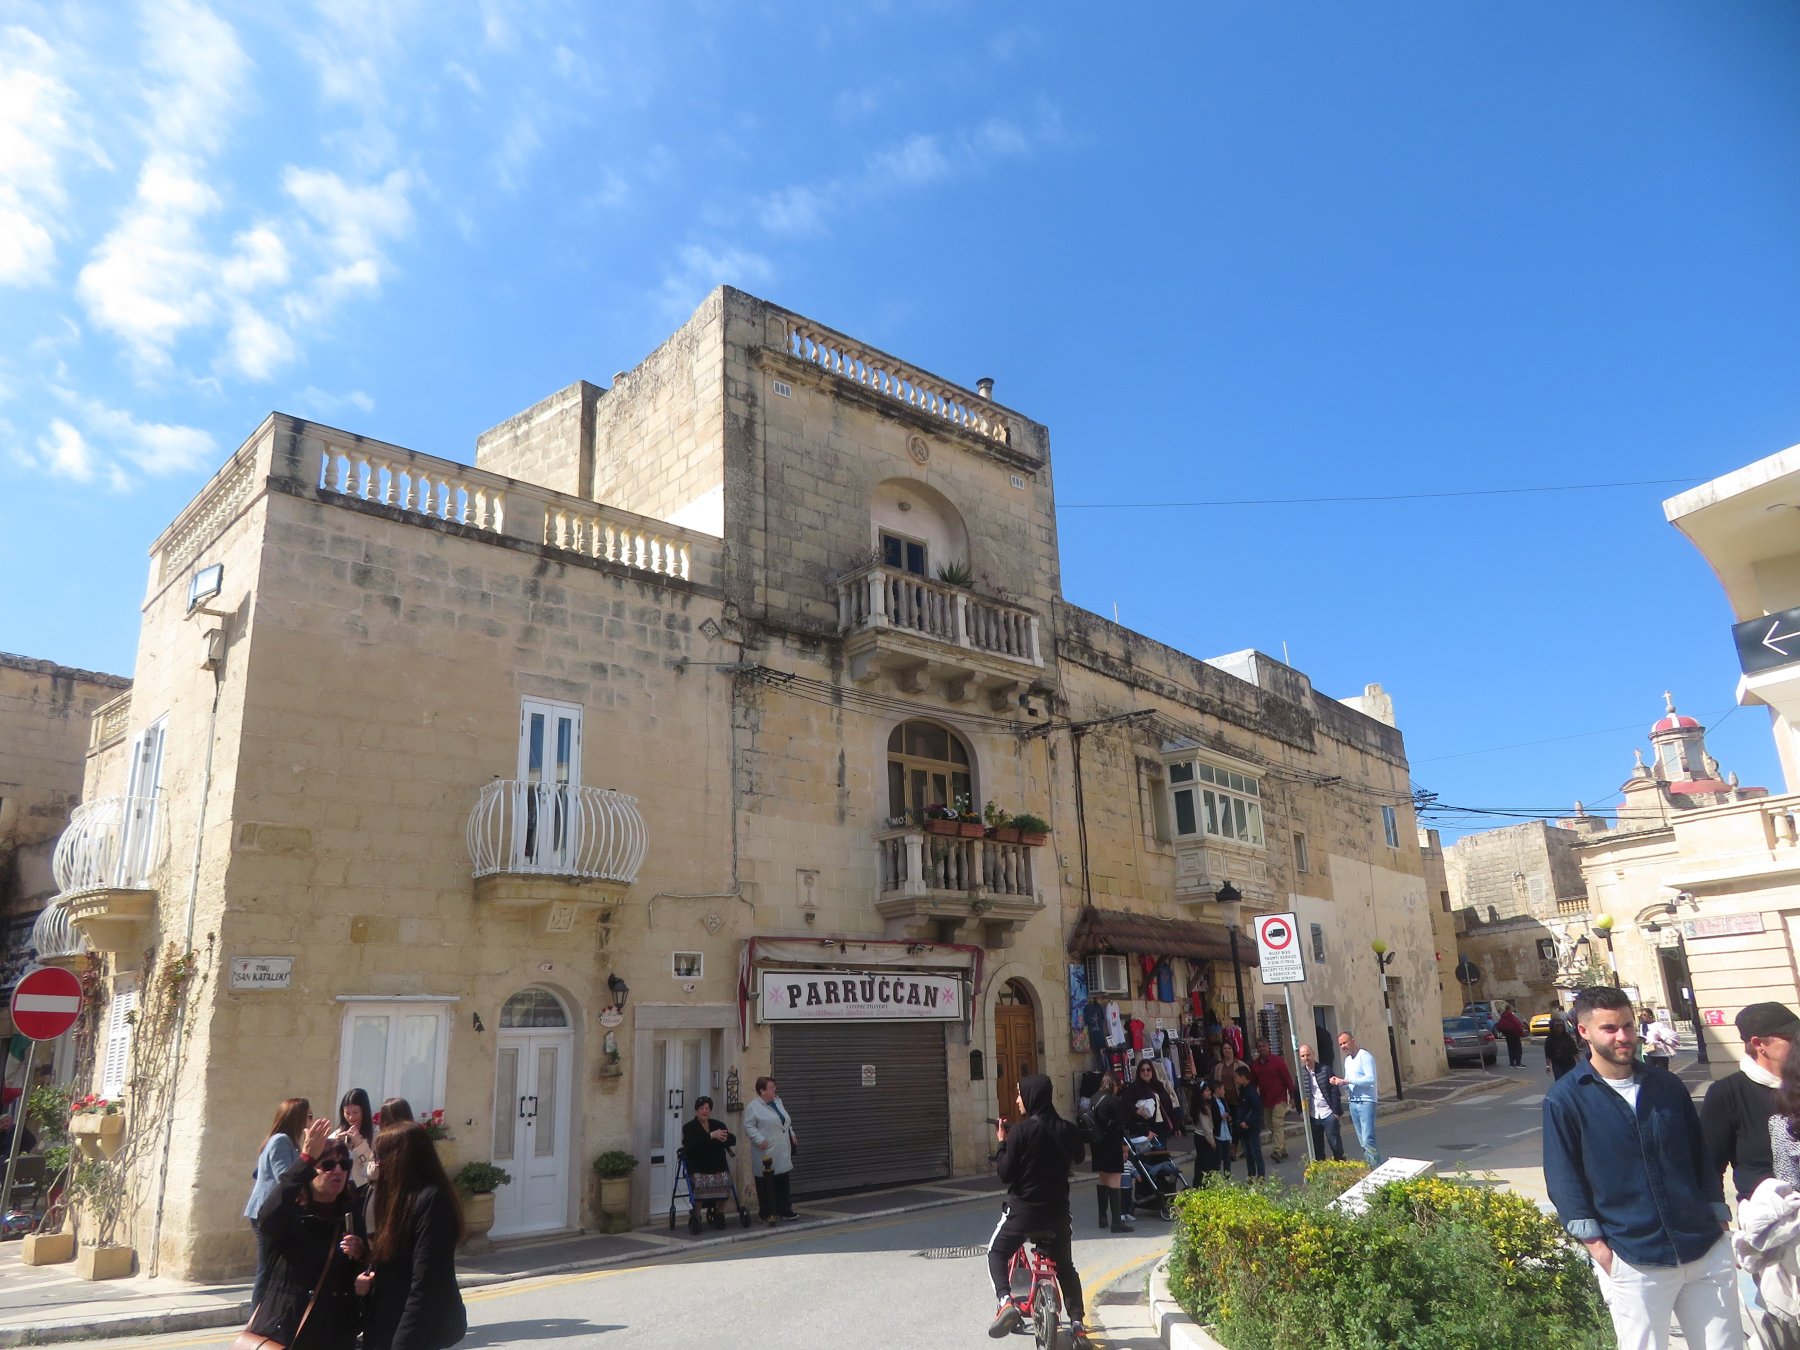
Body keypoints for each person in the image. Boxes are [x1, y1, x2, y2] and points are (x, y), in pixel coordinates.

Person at [1543, 986, 1740, 1350]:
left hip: (1703, 1246)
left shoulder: (1666, 1085)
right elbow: (1563, 1177)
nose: (1623, 1037)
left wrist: (1718, 1217)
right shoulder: (1566, 1098)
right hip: (1634, 1258)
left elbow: (1699, 1155)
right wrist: (1598, 1247)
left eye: (1628, 1026)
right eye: (1609, 1028)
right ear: (1584, 1031)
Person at [986, 1074, 1091, 1348]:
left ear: (1031, 1096)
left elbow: (1005, 1174)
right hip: (1057, 1213)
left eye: (1020, 1094)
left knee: (996, 1252)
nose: (1017, 1100)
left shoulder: (1020, 1132)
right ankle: (1077, 1325)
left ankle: (1005, 1301)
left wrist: (1002, 1143)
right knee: (1065, 1266)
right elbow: (1079, 1157)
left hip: (1023, 1213)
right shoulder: (1068, 1130)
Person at [246, 1117, 366, 1350]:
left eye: (344, 1164)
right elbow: (266, 1220)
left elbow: (358, 1271)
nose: (338, 1170)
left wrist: (360, 1258)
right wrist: (304, 1160)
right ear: (310, 1172)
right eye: (328, 1165)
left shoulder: (350, 1216)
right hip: (289, 1331)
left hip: (336, 1334)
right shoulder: (290, 1213)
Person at [361, 1122, 467, 1350]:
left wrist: (404, 1344)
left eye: (380, 1157)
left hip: (413, 1331)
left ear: (400, 1158)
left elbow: (426, 1284)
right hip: (386, 1322)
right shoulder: (396, 1198)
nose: (376, 1164)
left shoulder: (432, 1201)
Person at [1703, 1002, 1799, 1204]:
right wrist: (1716, 1211)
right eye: (1791, 1038)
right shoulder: (1727, 1092)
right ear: (1758, 1044)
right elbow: (1709, 1164)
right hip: (1769, 1216)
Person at [246, 1097, 310, 1307]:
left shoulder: (284, 1141)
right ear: (297, 1118)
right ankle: (256, 1314)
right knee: (266, 1267)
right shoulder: (281, 1141)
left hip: (271, 1211)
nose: (310, 1121)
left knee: (271, 1266)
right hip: (267, 1212)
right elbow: (285, 1176)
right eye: (308, 1116)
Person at [742, 1076, 799, 1224]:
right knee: (766, 1183)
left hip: (781, 1147)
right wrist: (760, 1139)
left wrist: (792, 1134)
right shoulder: (753, 1107)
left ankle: (785, 1210)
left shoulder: (778, 1101)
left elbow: (785, 1121)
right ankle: (765, 1213)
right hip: (766, 1150)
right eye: (771, 1087)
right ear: (762, 1091)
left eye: (774, 1087)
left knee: (783, 1180)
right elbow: (748, 1126)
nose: (775, 1089)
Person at [1085, 1073, 1134, 1232]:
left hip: (1097, 1143)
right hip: (1111, 1142)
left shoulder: (1094, 1098)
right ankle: (1116, 1222)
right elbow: (1122, 1121)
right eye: (1118, 1085)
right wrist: (1124, 1145)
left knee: (1103, 1177)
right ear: (1114, 1084)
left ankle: (1102, 1218)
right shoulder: (1113, 1100)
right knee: (1115, 1178)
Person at [680, 1095, 736, 1229]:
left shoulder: (718, 1125)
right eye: (701, 1108)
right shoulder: (689, 1127)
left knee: (727, 1180)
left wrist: (725, 1138)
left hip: (716, 1165)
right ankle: (697, 1214)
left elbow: (732, 1139)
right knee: (700, 1182)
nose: (704, 1111)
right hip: (698, 1166)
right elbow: (691, 1143)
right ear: (696, 1111)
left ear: (710, 1111)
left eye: (707, 1108)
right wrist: (711, 1135)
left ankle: (719, 1212)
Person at [1331, 1031, 1382, 1166]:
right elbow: (1348, 1083)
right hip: (1353, 1101)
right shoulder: (1348, 1060)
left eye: (1345, 1043)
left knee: (1368, 1139)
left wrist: (1347, 1081)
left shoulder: (1365, 1056)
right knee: (1362, 1141)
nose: (1343, 1046)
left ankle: (1375, 1167)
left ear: (1353, 1041)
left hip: (1366, 1101)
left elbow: (1370, 1079)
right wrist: (1339, 1082)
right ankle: (1371, 1165)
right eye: (1340, 1044)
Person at [1249, 1039, 1296, 1162]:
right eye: (1259, 1046)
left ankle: (1277, 1150)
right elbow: (1253, 1084)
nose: (1261, 1048)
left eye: (1264, 1046)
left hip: (1279, 1098)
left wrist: (1292, 1096)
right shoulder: (1255, 1065)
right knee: (1270, 1125)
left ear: (1269, 1046)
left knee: (1277, 1123)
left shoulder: (1277, 1061)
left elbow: (1287, 1079)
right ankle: (1283, 1149)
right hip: (1265, 1100)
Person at [1297, 1044, 1345, 1162]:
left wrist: (1335, 1112)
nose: (1306, 1058)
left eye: (1308, 1055)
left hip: (1328, 1113)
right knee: (1317, 1148)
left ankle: (1341, 1167)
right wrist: (1300, 1112)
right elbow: (1297, 1093)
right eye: (1303, 1056)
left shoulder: (1325, 1070)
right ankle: (1322, 1170)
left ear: (1313, 1054)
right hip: (1313, 1115)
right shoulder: (1300, 1074)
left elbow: (1334, 1091)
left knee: (1335, 1145)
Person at [1121, 1060, 1179, 1148]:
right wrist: (1136, 1110)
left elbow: (1168, 1105)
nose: (1146, 1072)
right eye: (1142, 1070)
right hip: (1146, 1129)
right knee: (1149, 1154)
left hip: (1161, 1127)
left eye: (1148, 1070)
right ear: (1139, 1072)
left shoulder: (1159, 1086)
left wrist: (1176, 1126)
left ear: (1152, 1071)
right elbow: (1124, 1105)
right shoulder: (1134, 1087)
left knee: (1162, 1152)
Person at [332, 1089, 376, 1188]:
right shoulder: (337, 1134)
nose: (351, 1117)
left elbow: (373, 1169)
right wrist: (337, 1146)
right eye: (347, 1113)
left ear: (364, 1111)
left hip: (364, 1188)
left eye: (356, 1112)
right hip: (341, 1187)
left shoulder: (375, 1134)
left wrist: (360, 1145)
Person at [1230, 1064, 1266, 1179]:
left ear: (1243, 1077)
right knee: (1248, 1154)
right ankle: (1251, 1176)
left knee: (1256, 1152)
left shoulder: (1251, 1091)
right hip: (1243, 1128)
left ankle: (1261, 1176)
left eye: (1236, 1077)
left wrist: (1247, 1121)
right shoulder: (1243, 1091)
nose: (1236, 1080)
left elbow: (1257, 1108)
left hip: (1252, 1128)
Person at [1187, 1080, 1222, 1183]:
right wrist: (1212, 1141)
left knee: (1201, 1163)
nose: (1209, 1092)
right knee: (1209, 1164)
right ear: (1201, 1093)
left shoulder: (1198, 1106)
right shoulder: (1204, 1108)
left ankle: (1198, 1184)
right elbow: (1206, 1127)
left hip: (1199, 1136)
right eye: (1207, 1091)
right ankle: (1205, 1185)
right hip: (1204, 1138)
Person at [1545, 1014, 1581, 1081]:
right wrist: (1547, 1066)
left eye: (1561, 1026)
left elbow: (1574, 1050)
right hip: (1557, 1064)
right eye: (1557, 1026)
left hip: (1570, 1063)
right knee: (1560, 1081)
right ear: (1552, 1027)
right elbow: (1548, 1054)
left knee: (1571, 1080)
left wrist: (1579, 1061)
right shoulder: (1550, 1039)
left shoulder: (1567, 1037)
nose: (1559, 1028)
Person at [1497, 1004, 1527, 1068]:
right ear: (1510, 1009)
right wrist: (1521, 1033)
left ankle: (1512, 1063)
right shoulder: (1510, 1016)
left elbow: (1500, 1024)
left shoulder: (1503, 1016)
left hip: (1507, 1035)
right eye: (1511, 1009)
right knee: (1518, 1048)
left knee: (1511, 1049)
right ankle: (1518, 1063)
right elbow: (1517, 1024)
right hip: (1514, 1034)